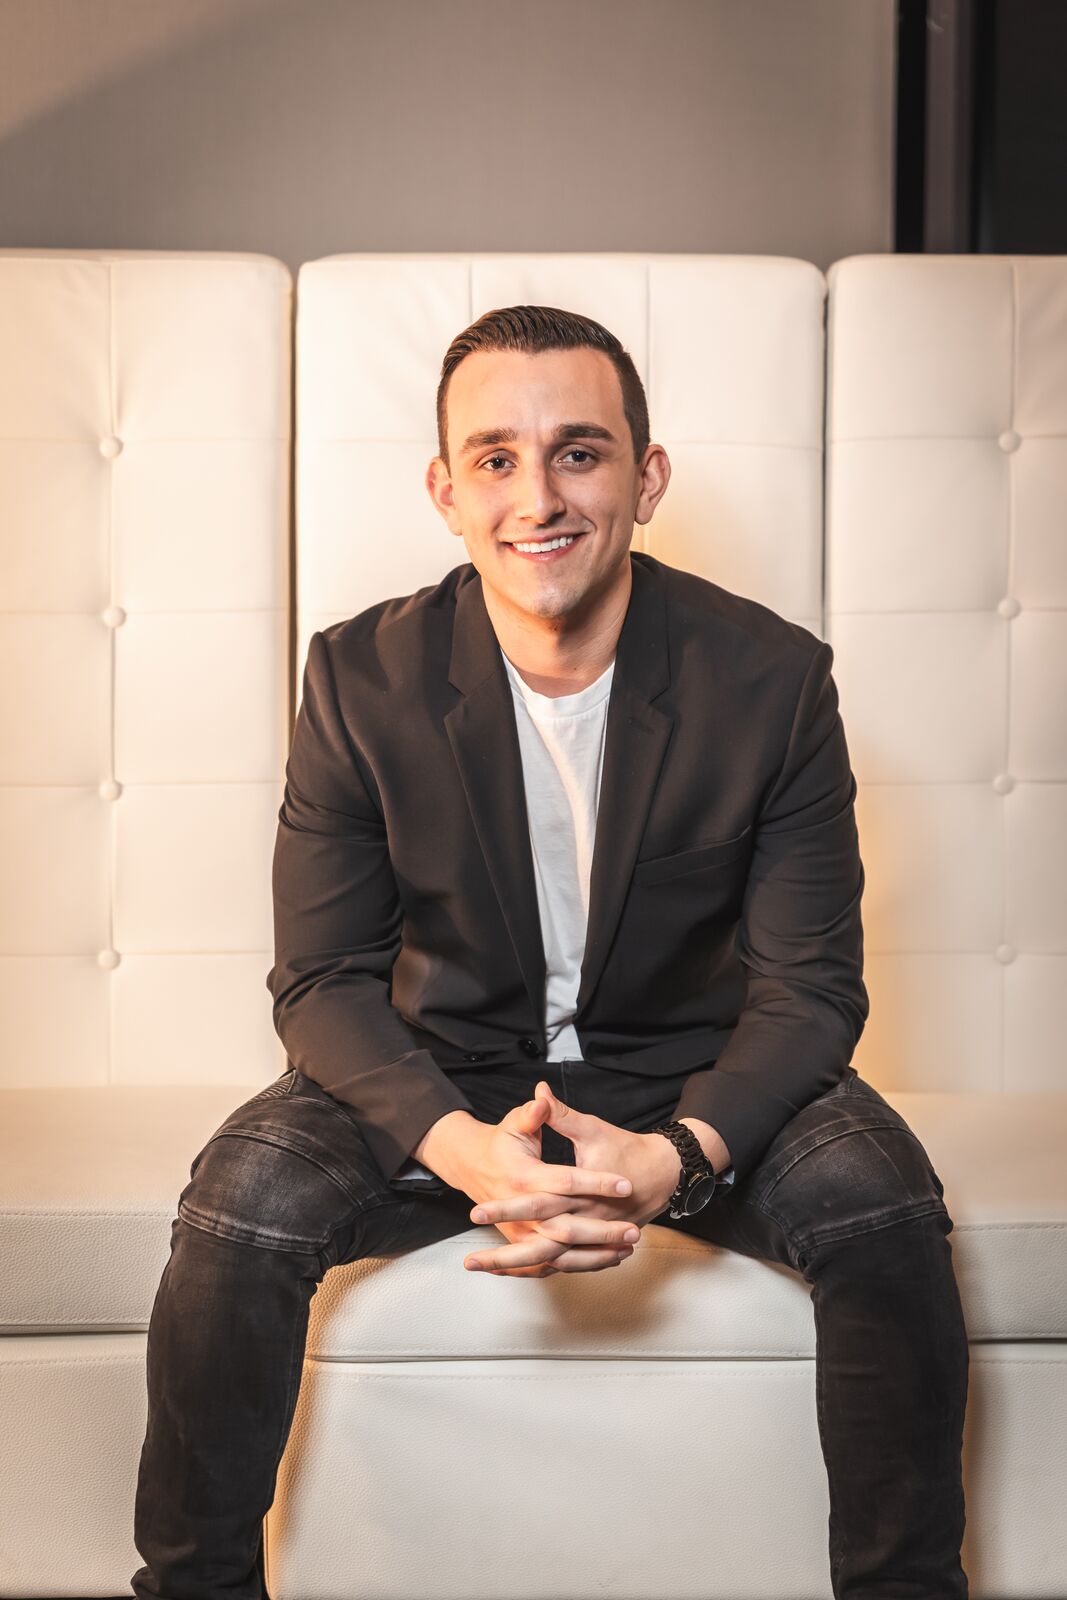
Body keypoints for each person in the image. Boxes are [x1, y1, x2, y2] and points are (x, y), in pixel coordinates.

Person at [132, 305, 970, 1599]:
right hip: (443, 1070)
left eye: (580, 452)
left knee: (884, 1203)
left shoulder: (773, 679)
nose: (539, 497)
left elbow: (809, 989)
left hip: (693, 1069)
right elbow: (324, 981)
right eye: (496, 459)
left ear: (647, 477)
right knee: (238, 1204)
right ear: (446, 491)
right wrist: (460, 1149)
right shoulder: (359, 678)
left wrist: (677, 1155)